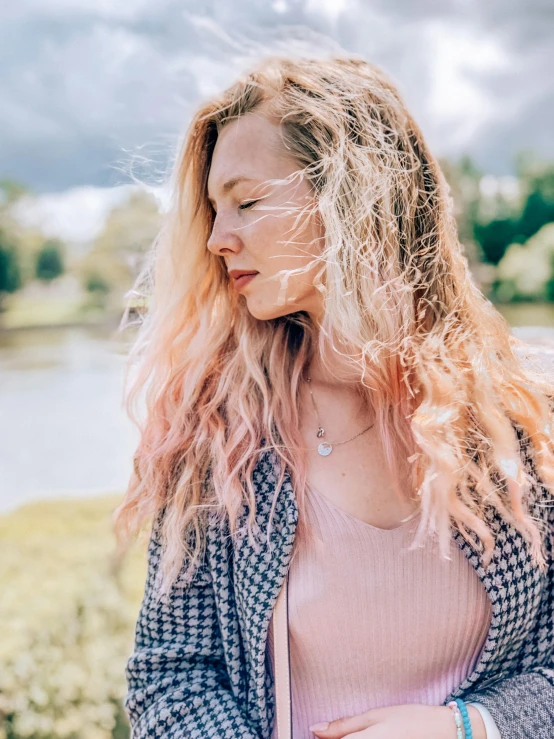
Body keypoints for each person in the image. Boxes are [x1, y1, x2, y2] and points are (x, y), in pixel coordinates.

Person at [113, 53, 554, 739]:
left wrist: (473, 726)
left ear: (353, 195)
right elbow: (171, 676)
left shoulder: (524, 417)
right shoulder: (215, 428)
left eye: (247, 201)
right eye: (212, 209)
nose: (217, 237)